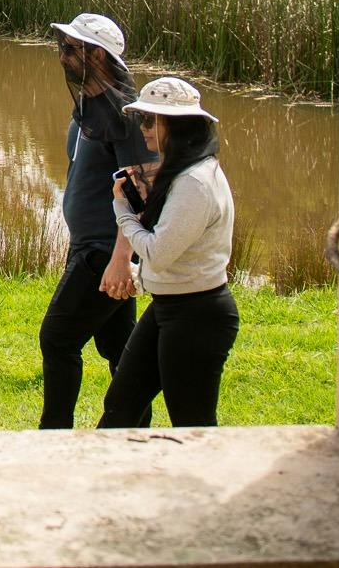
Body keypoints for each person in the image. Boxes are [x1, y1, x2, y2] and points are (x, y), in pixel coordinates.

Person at [99, 76, 239, 429]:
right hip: (169, 307)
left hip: (196, 317)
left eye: (149, 120)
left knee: (192, 423)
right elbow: (169, 251)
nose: (142, 129)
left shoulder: (194, 182)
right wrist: (140, 275)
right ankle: (109, 479)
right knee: (121, 404)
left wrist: (122, 211)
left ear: (172, 125)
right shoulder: (183, 172)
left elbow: (159, 252)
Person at [36, 12, 154, 429]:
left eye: (71, 48)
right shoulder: (89, 105)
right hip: (87, 246)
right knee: (118, 347)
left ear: (98, 56)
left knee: (57, 338)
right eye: (63, 46)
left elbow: (141, 194)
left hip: (103, 253)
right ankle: (130, 430)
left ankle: (54, 435)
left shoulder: (126, 117)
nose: (62, 55)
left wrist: (123, 260)